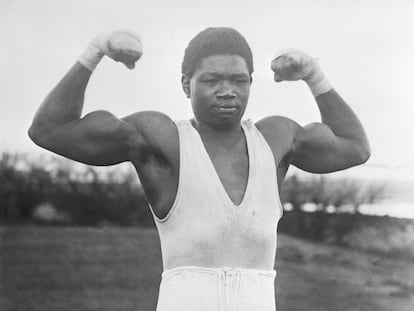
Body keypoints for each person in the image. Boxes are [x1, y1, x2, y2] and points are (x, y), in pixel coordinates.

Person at [29, 27, 370, 311]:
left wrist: (314, 75)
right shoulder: (163, 139)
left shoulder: (276, 139)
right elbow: (50, 129)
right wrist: (96, 50)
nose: (227, 92)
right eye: (211, 80)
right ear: (185, 84)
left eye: (239, 80)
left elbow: (354, 146)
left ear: (251, 82)